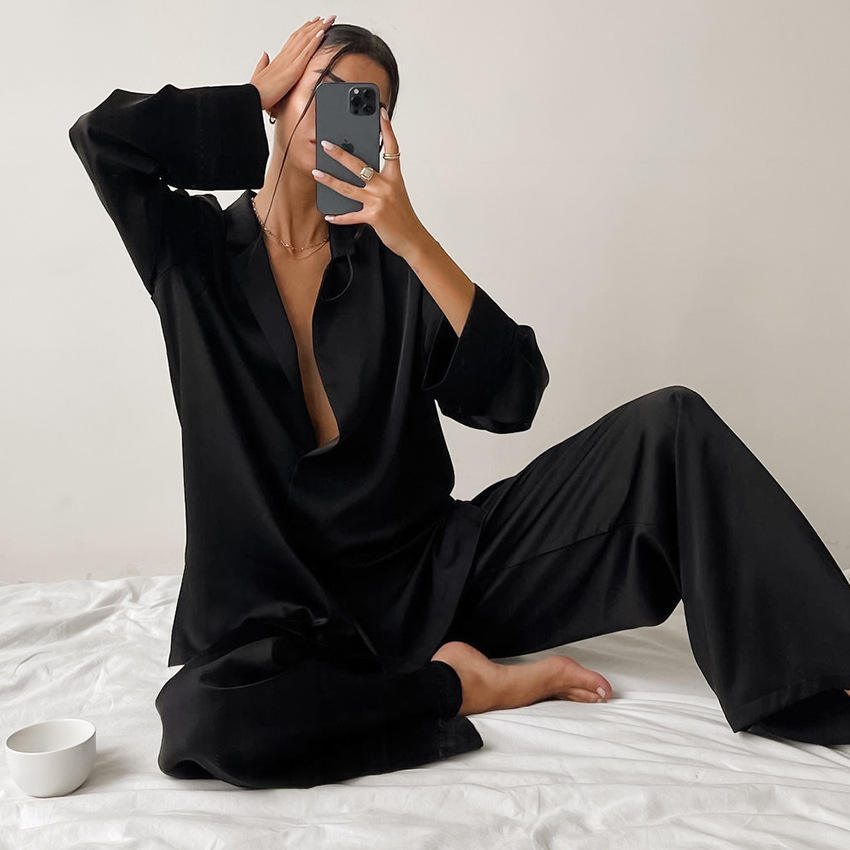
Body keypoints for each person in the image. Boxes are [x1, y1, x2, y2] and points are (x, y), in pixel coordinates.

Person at [69, 17, 850, 788]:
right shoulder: (190, 250)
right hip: (274, 611)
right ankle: (458, 685)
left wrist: (413, 240)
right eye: (321, 87)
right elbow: (101, 139)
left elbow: (513, 397)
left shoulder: (393, 264)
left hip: (434, 581)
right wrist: (247, 96)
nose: (336, 113)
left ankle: (823, 683)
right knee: (205, 720)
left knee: (670, 427)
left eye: (363, 105)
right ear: (277, 94)